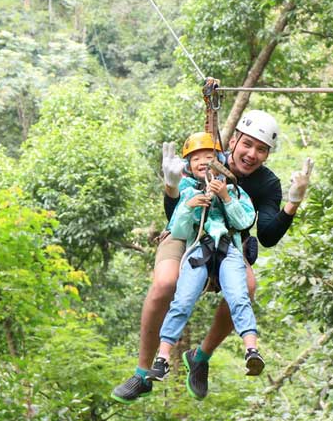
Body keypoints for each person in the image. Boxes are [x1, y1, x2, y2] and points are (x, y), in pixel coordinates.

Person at [111, 110, 314, 402]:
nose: (251, 154)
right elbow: (174, 216)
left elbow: (268, 235)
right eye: (247, 145)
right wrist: (170, 189)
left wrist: (293, 202)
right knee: (166, 283)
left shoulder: (266, 184)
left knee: (249, 287)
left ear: (267, 155)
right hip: (186, 232)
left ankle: (201, 357)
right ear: (234, 141)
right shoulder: (207, 158)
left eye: (261, 150)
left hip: (226, 240)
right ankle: (143, 374)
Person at [142, 133, 263, 396]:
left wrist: (226, 198)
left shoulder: (233, 188)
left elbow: (244, 222)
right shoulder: (186, 190)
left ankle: (251, 349)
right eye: (196, 158)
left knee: (239, 295)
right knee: (182, 300)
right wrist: (188, 206)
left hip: (227, 249)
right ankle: (162, 359)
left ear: (219, 160)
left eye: (209, 157)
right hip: (199, 248)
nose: (203, 162)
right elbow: (179, 228)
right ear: (188, 164)